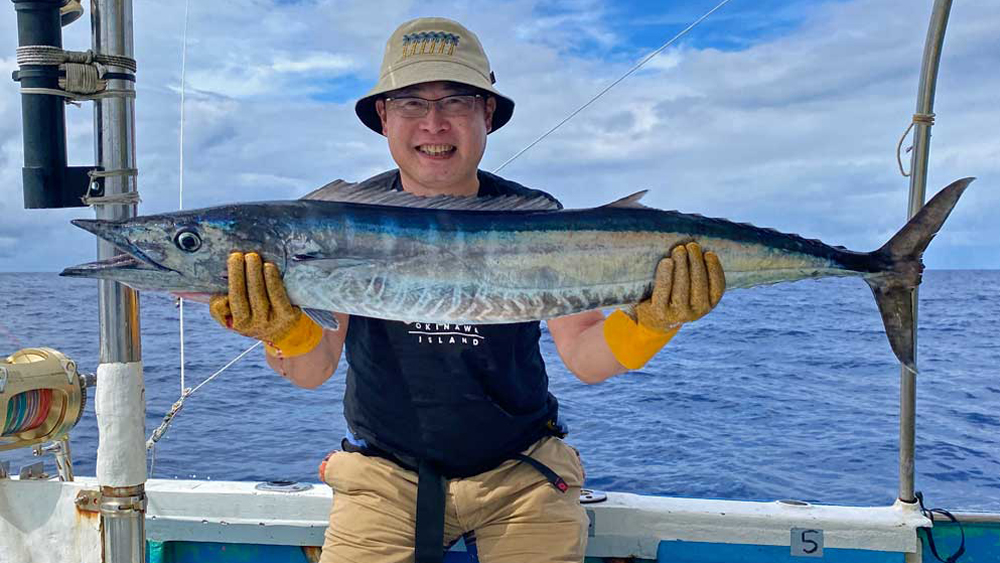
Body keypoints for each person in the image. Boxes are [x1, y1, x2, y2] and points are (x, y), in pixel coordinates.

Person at [209, 17, 725, 563]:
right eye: (411, 103)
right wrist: (281, 330)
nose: (434, 124)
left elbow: (586, 357)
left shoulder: (540, 219)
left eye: (455, 102)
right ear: (384, 117)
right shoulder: (336, 223)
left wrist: (655, 321)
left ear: (487, 114)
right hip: (382, 480)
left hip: (523, 479)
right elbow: (312, 370)